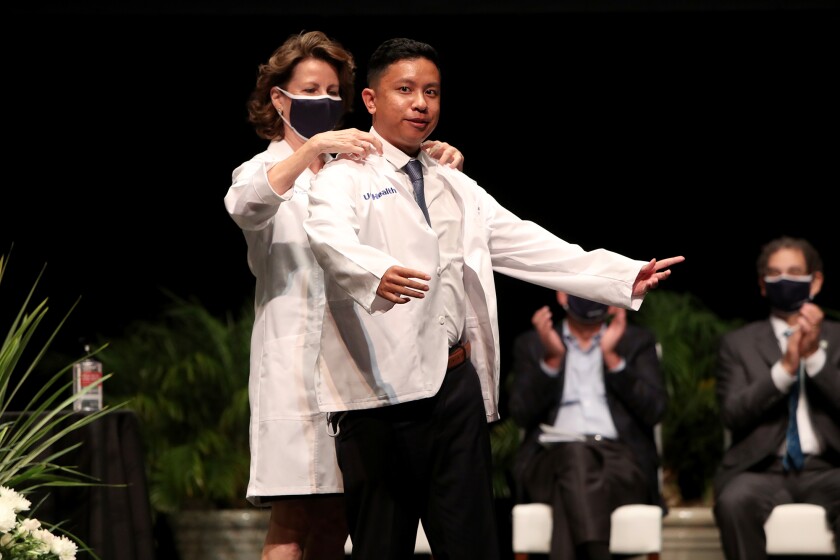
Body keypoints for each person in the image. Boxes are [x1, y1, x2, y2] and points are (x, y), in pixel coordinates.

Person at [302, 36, 684, 560]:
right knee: (380, 544)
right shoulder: (343, 176)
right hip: (381, 396)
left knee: (472, 543)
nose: (421, 103)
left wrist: (620, 275)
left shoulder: (454, 183)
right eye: (406, 90)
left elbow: (529, 244)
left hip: (454, 389)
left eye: (431, 92)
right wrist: (376, 271)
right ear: (370, 100)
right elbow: (327, 238)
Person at [223, 30, 464, 560]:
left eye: (334, 92)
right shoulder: (260, 170)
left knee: (340, 518)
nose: (326, 102)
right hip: (291, 367)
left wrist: (435, 158)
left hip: (354, 369)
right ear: (279, 99)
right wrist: (310, 147)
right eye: (311, 90)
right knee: (292, 518)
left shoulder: (353, 170)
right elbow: (244, 207)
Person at [508, 290, 667, 560]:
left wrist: (613, 359)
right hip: (549, 461)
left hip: (621, 463)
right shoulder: (535, 344)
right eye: (583, 287)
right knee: (575, 455)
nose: (591, 296)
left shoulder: (635, 342)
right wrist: (552, 360)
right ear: (561, 295)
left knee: (570, 488)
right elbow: (520, 414)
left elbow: (656, 411)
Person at [713, 236, 840, 560]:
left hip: (829, 467)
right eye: (775, 273)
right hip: (761, 470)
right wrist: (784, 369)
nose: (785, 280)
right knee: (734, 501)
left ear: (816, 280)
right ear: (763, 284)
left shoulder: (838, 338)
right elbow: (732, 414)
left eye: (795, 271)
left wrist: (813, 359)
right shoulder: (737, 344)